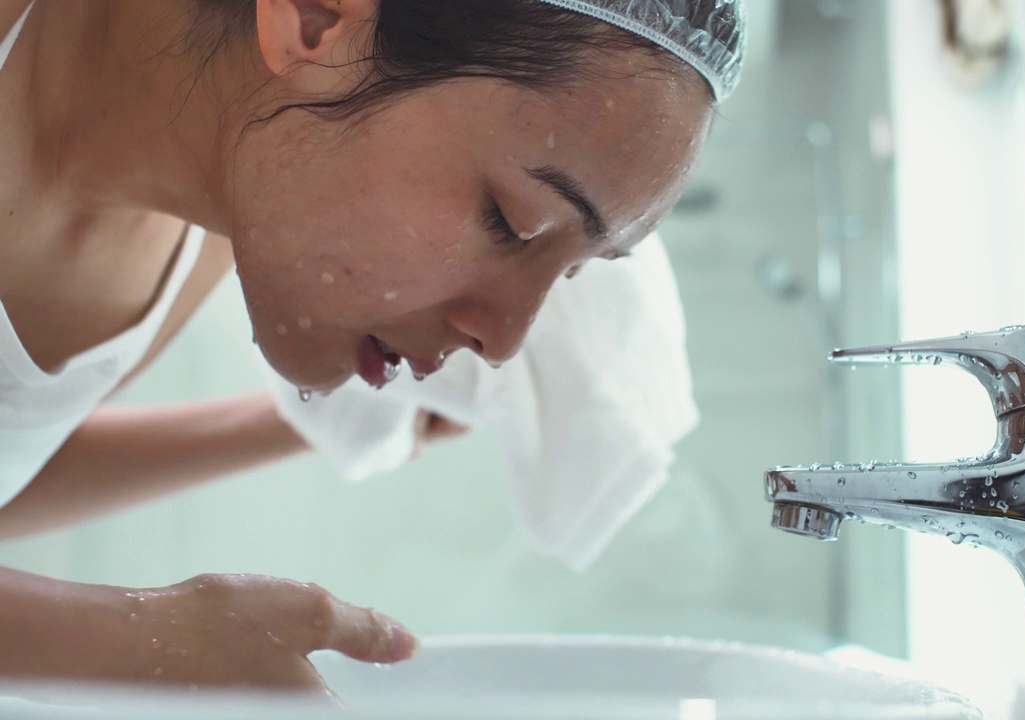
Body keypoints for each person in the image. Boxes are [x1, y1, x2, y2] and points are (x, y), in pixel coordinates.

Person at [0, 0, 742, 693]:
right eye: (509, 223)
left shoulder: (211, 205)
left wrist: (273, 431)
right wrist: (131, 640)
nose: (504, 341)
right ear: (317, 19)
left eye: (571, 270)